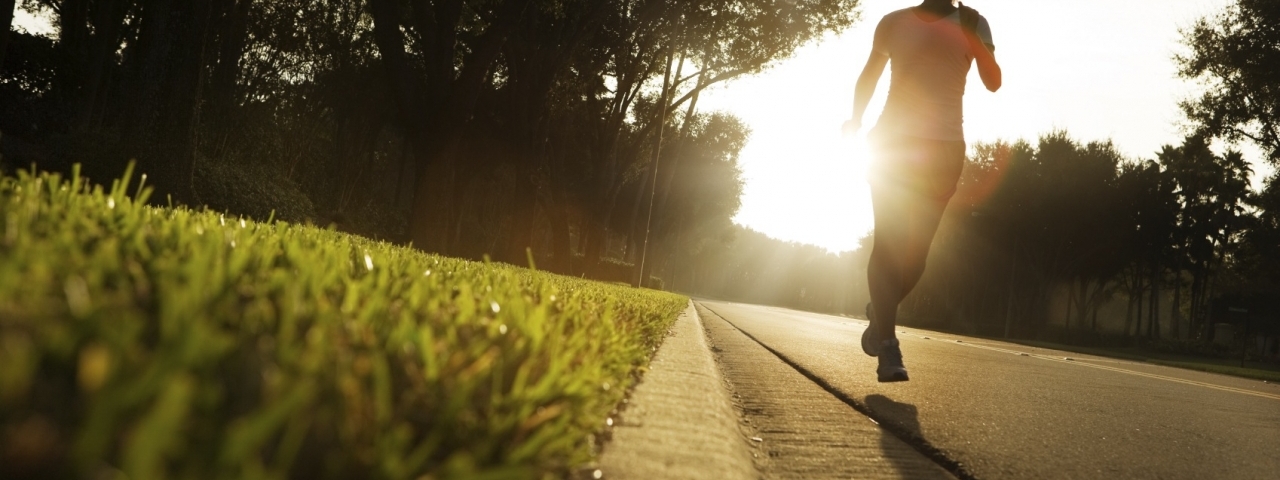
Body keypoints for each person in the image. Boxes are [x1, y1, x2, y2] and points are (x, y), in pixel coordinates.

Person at [843, 0, 1001, 382]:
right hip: (893, 145)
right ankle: (888, 346)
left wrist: (974, 37)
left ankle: (880, 313)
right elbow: (869, 75)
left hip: (944, 150)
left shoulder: (975, 23)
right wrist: (856, 118)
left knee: (916, 259)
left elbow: (993, 82)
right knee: (889, 245)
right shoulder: (893, 23)